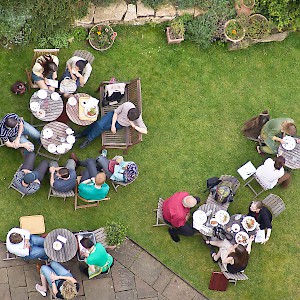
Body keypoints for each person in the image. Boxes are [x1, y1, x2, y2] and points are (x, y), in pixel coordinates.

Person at [75, 101, 147, 149]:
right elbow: (116, 113)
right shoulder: (127, 105)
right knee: (99, 125)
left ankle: (83, 134)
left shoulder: (138, 118)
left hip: (119, 125)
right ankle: (88, 139)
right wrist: (112, 125)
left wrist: (134, 126)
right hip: (113, 116)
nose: (127, 119)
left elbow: (145, 131)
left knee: (99, 126)